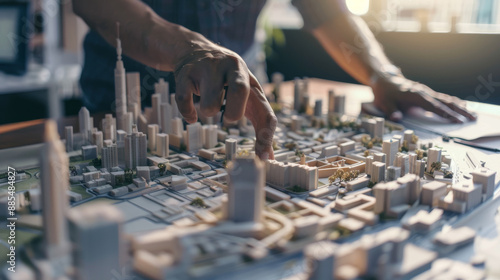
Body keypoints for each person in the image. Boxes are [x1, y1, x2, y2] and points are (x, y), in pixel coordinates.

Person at [73, 0, 475, 161]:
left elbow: (326, 9)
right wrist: (188, 50)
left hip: (242, 99)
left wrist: (381, 74)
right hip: (124, 104)